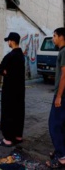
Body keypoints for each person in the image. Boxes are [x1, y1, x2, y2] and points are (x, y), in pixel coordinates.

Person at [0, 32, 25, 147]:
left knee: (8, 112)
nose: (8, 42)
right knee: (19, 111)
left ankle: (8, 139)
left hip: (9, 89)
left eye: (8, 40)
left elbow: (0, 70)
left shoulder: (10, 56)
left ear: (12, 41)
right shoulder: (21, 55)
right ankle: (18, 136)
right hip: (20, 89)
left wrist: (5, 72)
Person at [46, 28, 65, 169]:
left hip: (62, 95)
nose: (53, 38)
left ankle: (62, 157)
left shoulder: (64, 52)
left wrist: (58, 95)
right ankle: (61, 152)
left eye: (54, 36)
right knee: (61, 125)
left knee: (54, 125)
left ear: (61, 37)